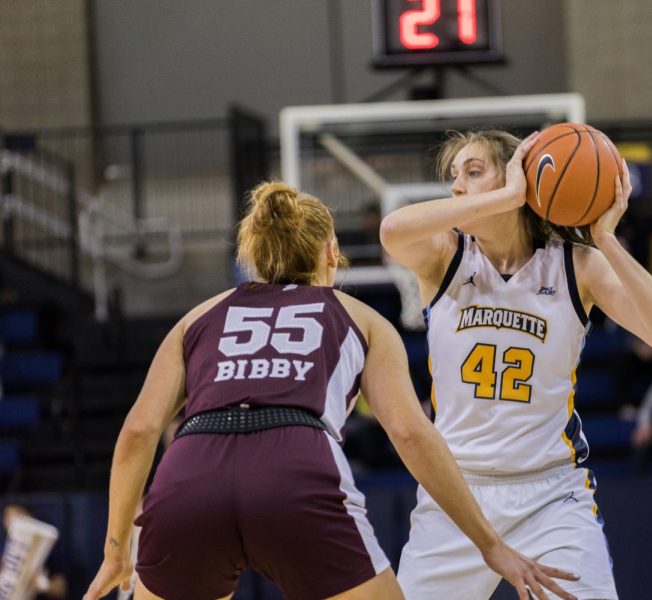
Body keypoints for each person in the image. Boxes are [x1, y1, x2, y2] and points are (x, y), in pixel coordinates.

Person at [83, 182, 577, 600]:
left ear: (250, 253)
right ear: (330, 252)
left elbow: (139, 431)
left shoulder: (198, 316)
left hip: (189, 475)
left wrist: (114, 549)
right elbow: (409, 432)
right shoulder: (359, 317)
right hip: (294, 466)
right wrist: (489, 542)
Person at [380, 129, 652, 599]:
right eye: (454, 177)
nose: (457, 187)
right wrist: (502, 196)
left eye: (473, 171)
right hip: (457, 495)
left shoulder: (575, 266)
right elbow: (392, 231)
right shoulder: (444, 256)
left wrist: (604, 239)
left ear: (519, 177)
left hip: (551, 493)